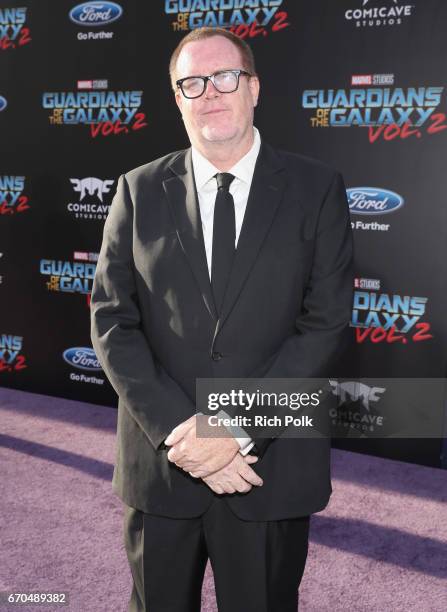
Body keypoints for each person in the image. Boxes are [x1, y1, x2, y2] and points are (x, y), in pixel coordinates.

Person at [90, 26, 354, 612]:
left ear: (254, 87)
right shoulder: (137, 191)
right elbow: (112, 321)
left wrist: (231, 428)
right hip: (163, 464)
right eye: (191, 82)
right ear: (177, 99)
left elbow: (327, 324)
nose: (209, 92)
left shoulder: (317, 189)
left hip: (269, 464)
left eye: (225, 77)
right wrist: (184, 431)